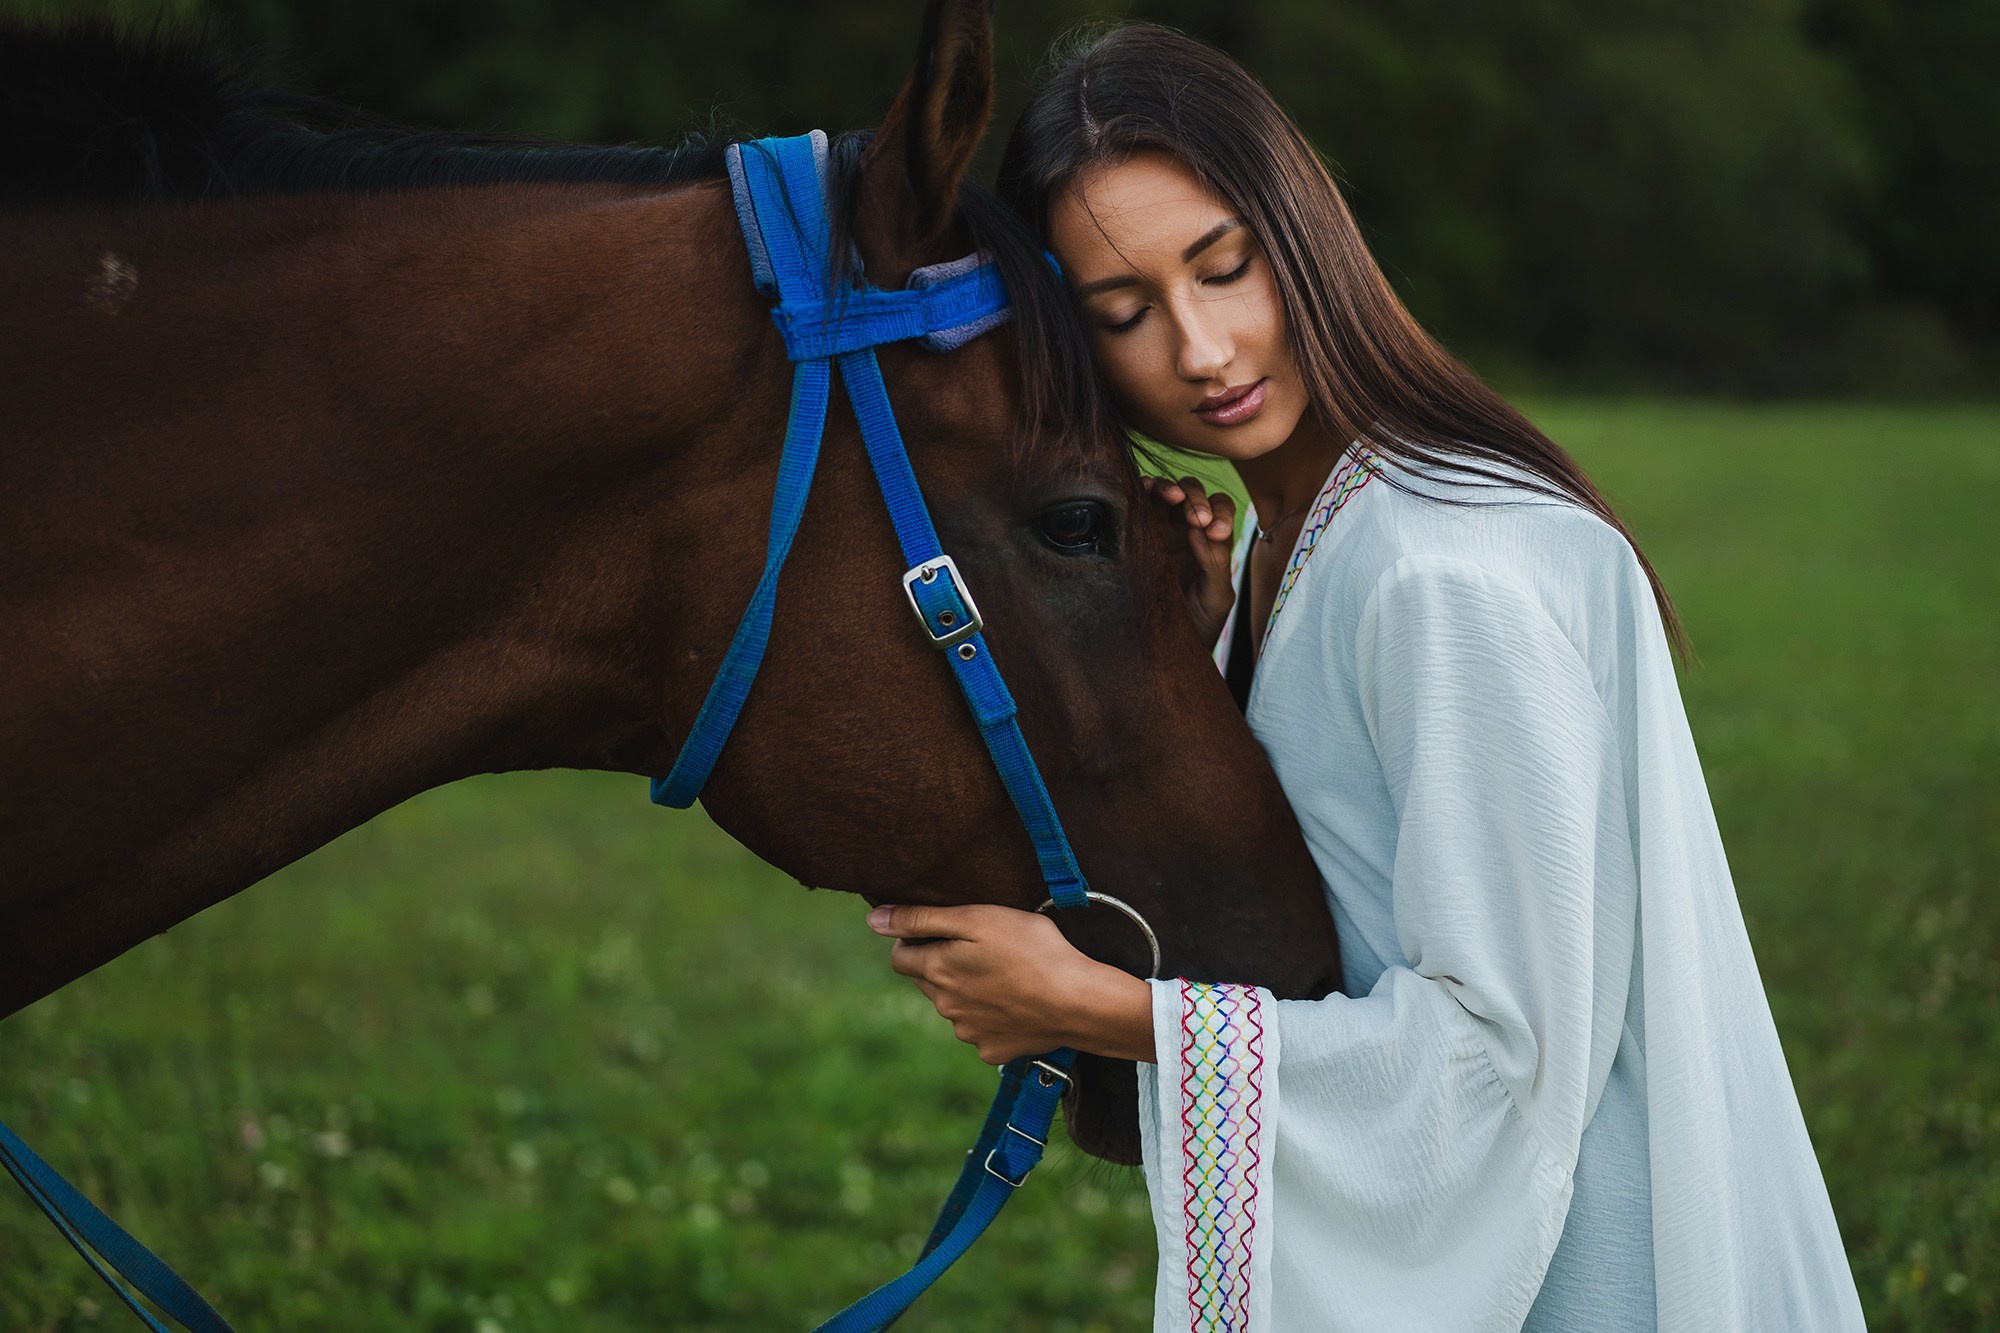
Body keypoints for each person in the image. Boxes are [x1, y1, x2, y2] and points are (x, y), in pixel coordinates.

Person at [865, 24, 1864, 1332]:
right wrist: (1206, 649)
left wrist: (1100, 1008)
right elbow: (1335, 870)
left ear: (1306, 232)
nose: (1205, 349)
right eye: (1124, 314)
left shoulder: (1439, 568)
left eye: (1227, 268)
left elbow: (1496, 1061)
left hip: (1574, 1273)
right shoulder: (1312, 533)